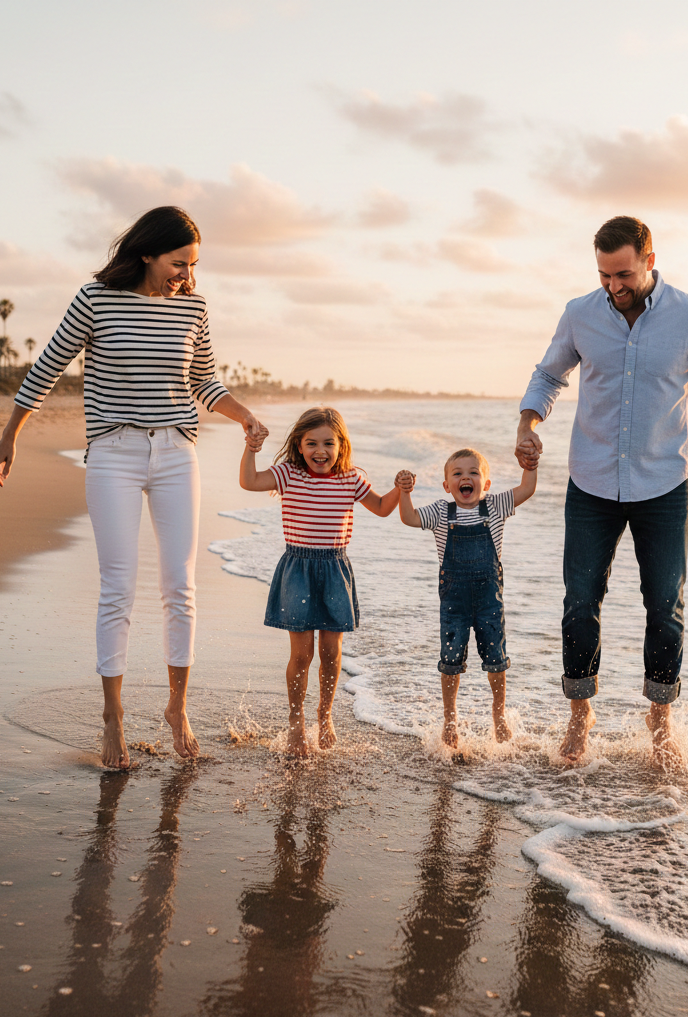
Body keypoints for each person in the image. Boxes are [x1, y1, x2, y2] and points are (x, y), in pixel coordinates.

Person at [0, 206, 268, 770]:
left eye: (193, 264)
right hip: (114, 454)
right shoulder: (95, 300)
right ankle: (113, 717)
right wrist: (10, 435)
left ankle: (177, 707)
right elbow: (47, 367)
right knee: (118, 587)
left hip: (176, 452)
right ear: (147, 252)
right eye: (178, 262)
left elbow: (204, 380)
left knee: (181, 586)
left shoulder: (192, 307)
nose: (186, 275)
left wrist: (243, 414)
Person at [515, 215, 688, 768]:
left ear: (650, 260)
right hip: (591, 481)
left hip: (663, 483)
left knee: (665, 607)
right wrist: (528, 424)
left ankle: (661, 724)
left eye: (624, 273)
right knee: (580, 603)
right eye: (604, 275)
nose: (614, 287)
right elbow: (548, 374)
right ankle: (580, 719)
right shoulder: (580, 313)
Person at [239, 406, 401, 756]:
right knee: (302, 654)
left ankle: (325, 715)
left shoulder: (350, 480)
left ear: (342, 445)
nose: (320, 451)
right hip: (298, 568)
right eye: (311, 443)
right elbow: (249, 482)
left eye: (329, 443)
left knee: (331, 652)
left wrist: (401, 489)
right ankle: (296, 721)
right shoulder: (288, 474)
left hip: (335, 569)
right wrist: (251, 449)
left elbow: (383, 507)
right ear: (299, 445)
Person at [397, 448, 536, 748]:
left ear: (486, 483)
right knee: (450, 662)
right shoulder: (438, 511)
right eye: (457, 473)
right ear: (447, 485)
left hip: (489, 603)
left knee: (496, 661)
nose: (466, 478)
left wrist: (530, 464)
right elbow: (408, 518)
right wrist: (404, 492)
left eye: (474, 472)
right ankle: (450, 718)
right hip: (454, 605)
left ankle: (498, 716)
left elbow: (527, 488)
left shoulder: (496, 506)